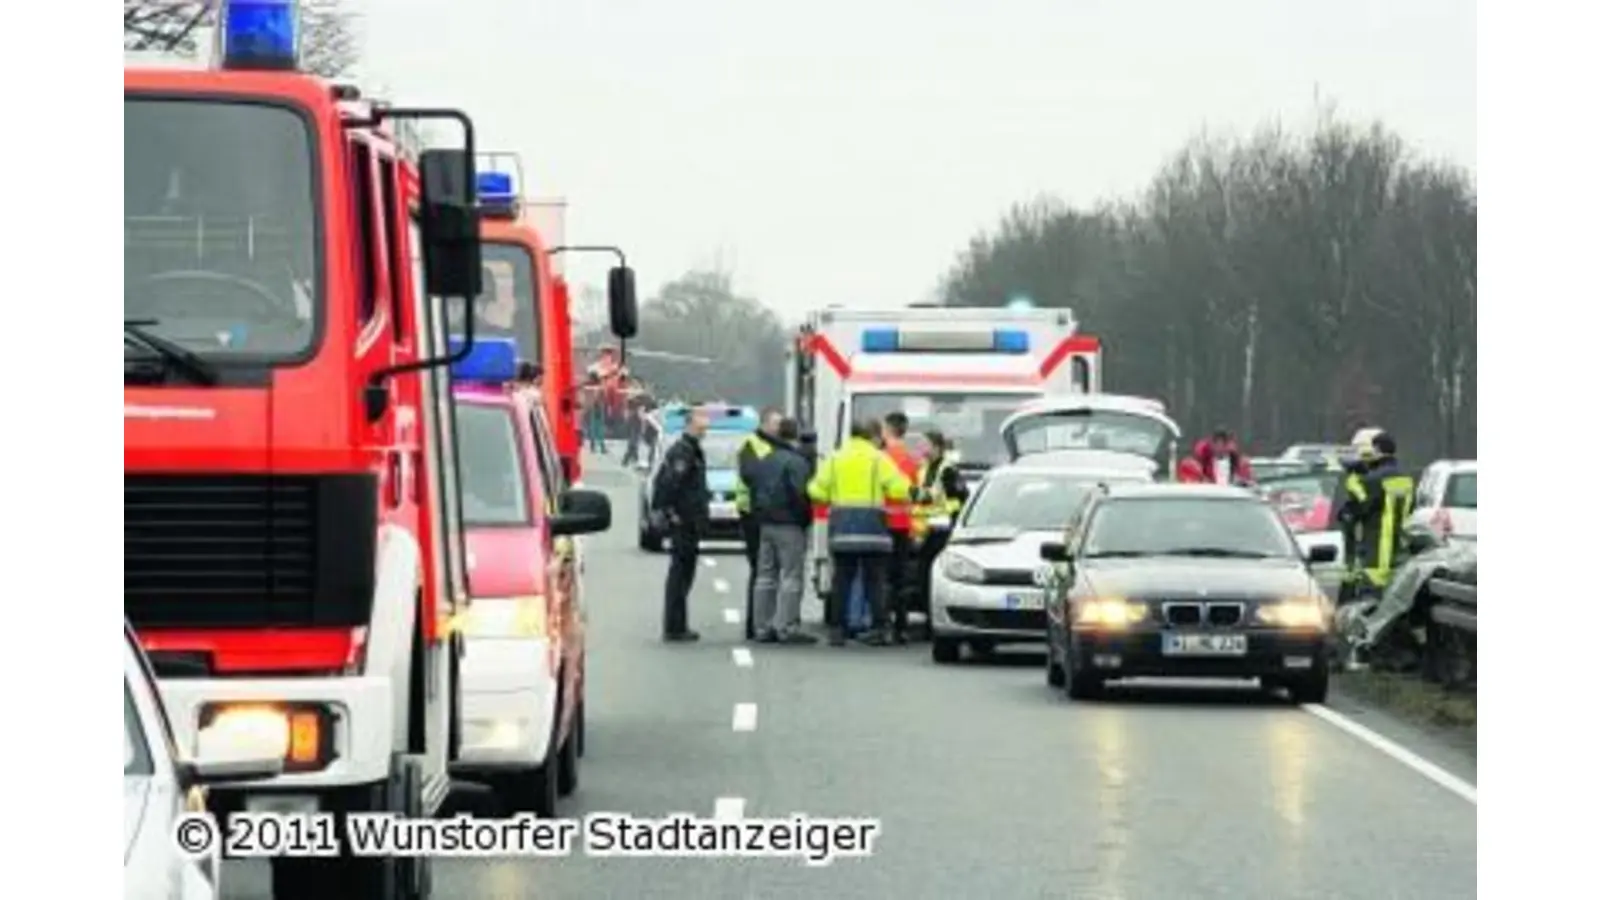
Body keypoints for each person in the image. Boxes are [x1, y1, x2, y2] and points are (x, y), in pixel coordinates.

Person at [808, 418, 911, 647]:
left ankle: (838, 630)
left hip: (843, 528)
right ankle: (879, 628)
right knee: (875, 580)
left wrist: (833, 497)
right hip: (873, 529)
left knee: (842, 580)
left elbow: (815, 490)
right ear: (872, 437)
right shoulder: (878, 459)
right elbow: (898, 488)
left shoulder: (835, 458)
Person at [748, 418, 817, 645]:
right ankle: (786, 627)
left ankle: (762, 626)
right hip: (789, 524)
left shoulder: (764, 460)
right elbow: (801, 494)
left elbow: (753, 489)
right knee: (791, 576)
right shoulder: (796, 462)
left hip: (766, 523)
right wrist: (805, 518)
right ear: (796, 436)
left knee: (765, 577)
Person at [651, 403, 712, 642]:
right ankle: (674, 626)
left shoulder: (693, 449)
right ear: (689, 423)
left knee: (685, 573)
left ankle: (679, 624)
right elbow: (670, 483)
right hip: (682, 521)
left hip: (691, 521)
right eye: (701, 419)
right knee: (680, 574)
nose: (705, 423)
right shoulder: (683, 451)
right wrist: (669, 512)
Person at [1337, 431, 1414, 597]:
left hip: (1376, 553)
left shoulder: (1374, 479)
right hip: (1400, 551)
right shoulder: (1407, 478)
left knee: (1369, 603)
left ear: (1377, 449)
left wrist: (1353, 476)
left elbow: (1358, 502)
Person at [734, 408, 783, 640]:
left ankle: (765, 619)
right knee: (760, 569)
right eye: (775, 423)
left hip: (765, 513)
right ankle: (755, 623)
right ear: (764, 424)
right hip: (752, 513)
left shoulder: (773, 445)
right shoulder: (751, 445)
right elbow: (750, 475)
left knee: (768, 570)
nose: (778, 428)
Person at [912, 430, 969, 617]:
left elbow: (958, 500)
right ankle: (928, 615)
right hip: (924, 532)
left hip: (941, 532)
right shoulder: (923, 469)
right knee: (923, 578)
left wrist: (931, 501)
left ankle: (933, 619)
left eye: (924, 444)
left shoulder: (947, 471)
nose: (920, 448)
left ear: (936, 447)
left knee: (933, 577)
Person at [880, 412, 921, 644]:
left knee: (882, 577)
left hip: (882, 523)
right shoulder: (911, 459)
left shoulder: (881, 458)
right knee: (900, 578)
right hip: (904, 525)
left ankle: (882, 624)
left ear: (888, 430)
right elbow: (915, 493)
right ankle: (901, 627)